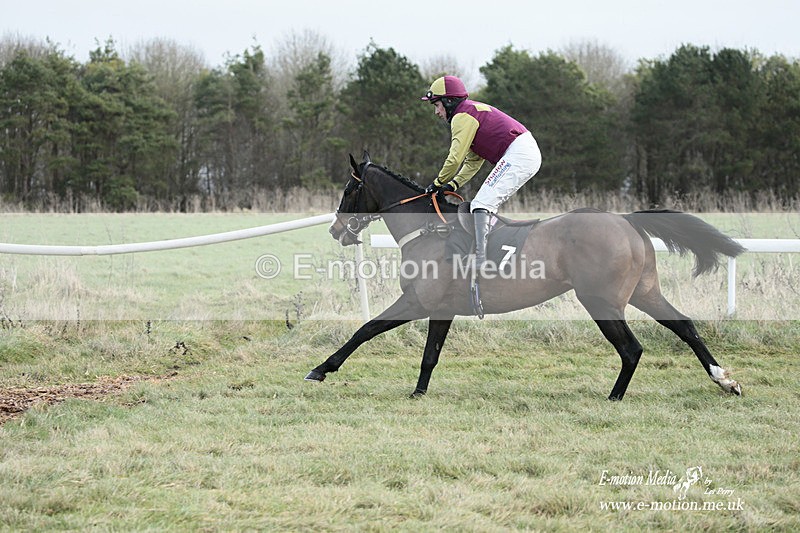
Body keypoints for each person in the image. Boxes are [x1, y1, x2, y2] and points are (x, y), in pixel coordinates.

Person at [421, 75, 542, 313]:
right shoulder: (470, 114)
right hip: (522, 150)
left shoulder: (461, 117)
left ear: (447, 102)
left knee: (481, 204)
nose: (436, 112)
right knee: (481, 203)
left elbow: (454, 157)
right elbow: (472, 161)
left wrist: (437, 183)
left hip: (519, 153)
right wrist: (453, 185)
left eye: (436, 105)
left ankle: (480, 258)